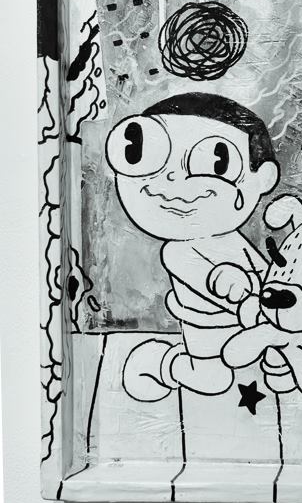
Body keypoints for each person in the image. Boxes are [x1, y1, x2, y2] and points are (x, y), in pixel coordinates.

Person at [106, 91, 279, 400]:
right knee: (212, 379)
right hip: (207, 331)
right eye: (146, 155)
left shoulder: (231, 239)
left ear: (262, 178)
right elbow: (209, 279)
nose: (174, 176)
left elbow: (260, 269)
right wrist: (231, 285)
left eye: (216, 161)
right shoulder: (178, 250)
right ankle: (163, 366)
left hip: (250, 323)